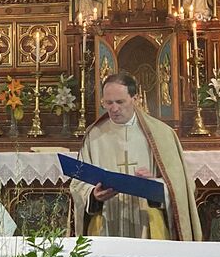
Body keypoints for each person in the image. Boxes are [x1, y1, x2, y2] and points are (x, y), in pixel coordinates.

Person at [70, 72, 202, 240]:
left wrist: (154, 186)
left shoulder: (162, 134)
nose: (114, 109)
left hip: (148, 222)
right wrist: (93, 195)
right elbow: (78, 184)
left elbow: (182, 186)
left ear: (135, 99)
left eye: (120, 102)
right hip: (106, 221)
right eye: (108, 103)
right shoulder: (93, 135)